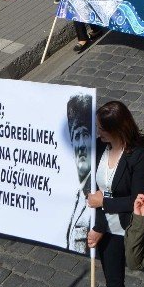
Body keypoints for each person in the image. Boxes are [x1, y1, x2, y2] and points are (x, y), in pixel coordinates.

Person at [86, 101, 144, 287]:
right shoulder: (98, 148)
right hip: (107, 228)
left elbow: (139, 199)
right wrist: (100, 226)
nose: (98, 132)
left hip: (131, 228)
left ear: (117, 128)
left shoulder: (139, 156)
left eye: (102, 128)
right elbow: (93, 190)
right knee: (113, 282)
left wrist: (105, 202)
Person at [66, 93, 93, 253]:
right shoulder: (76, 192)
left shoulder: (100, 179)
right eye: (77, 136)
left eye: (86, 135)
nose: (81, 144)